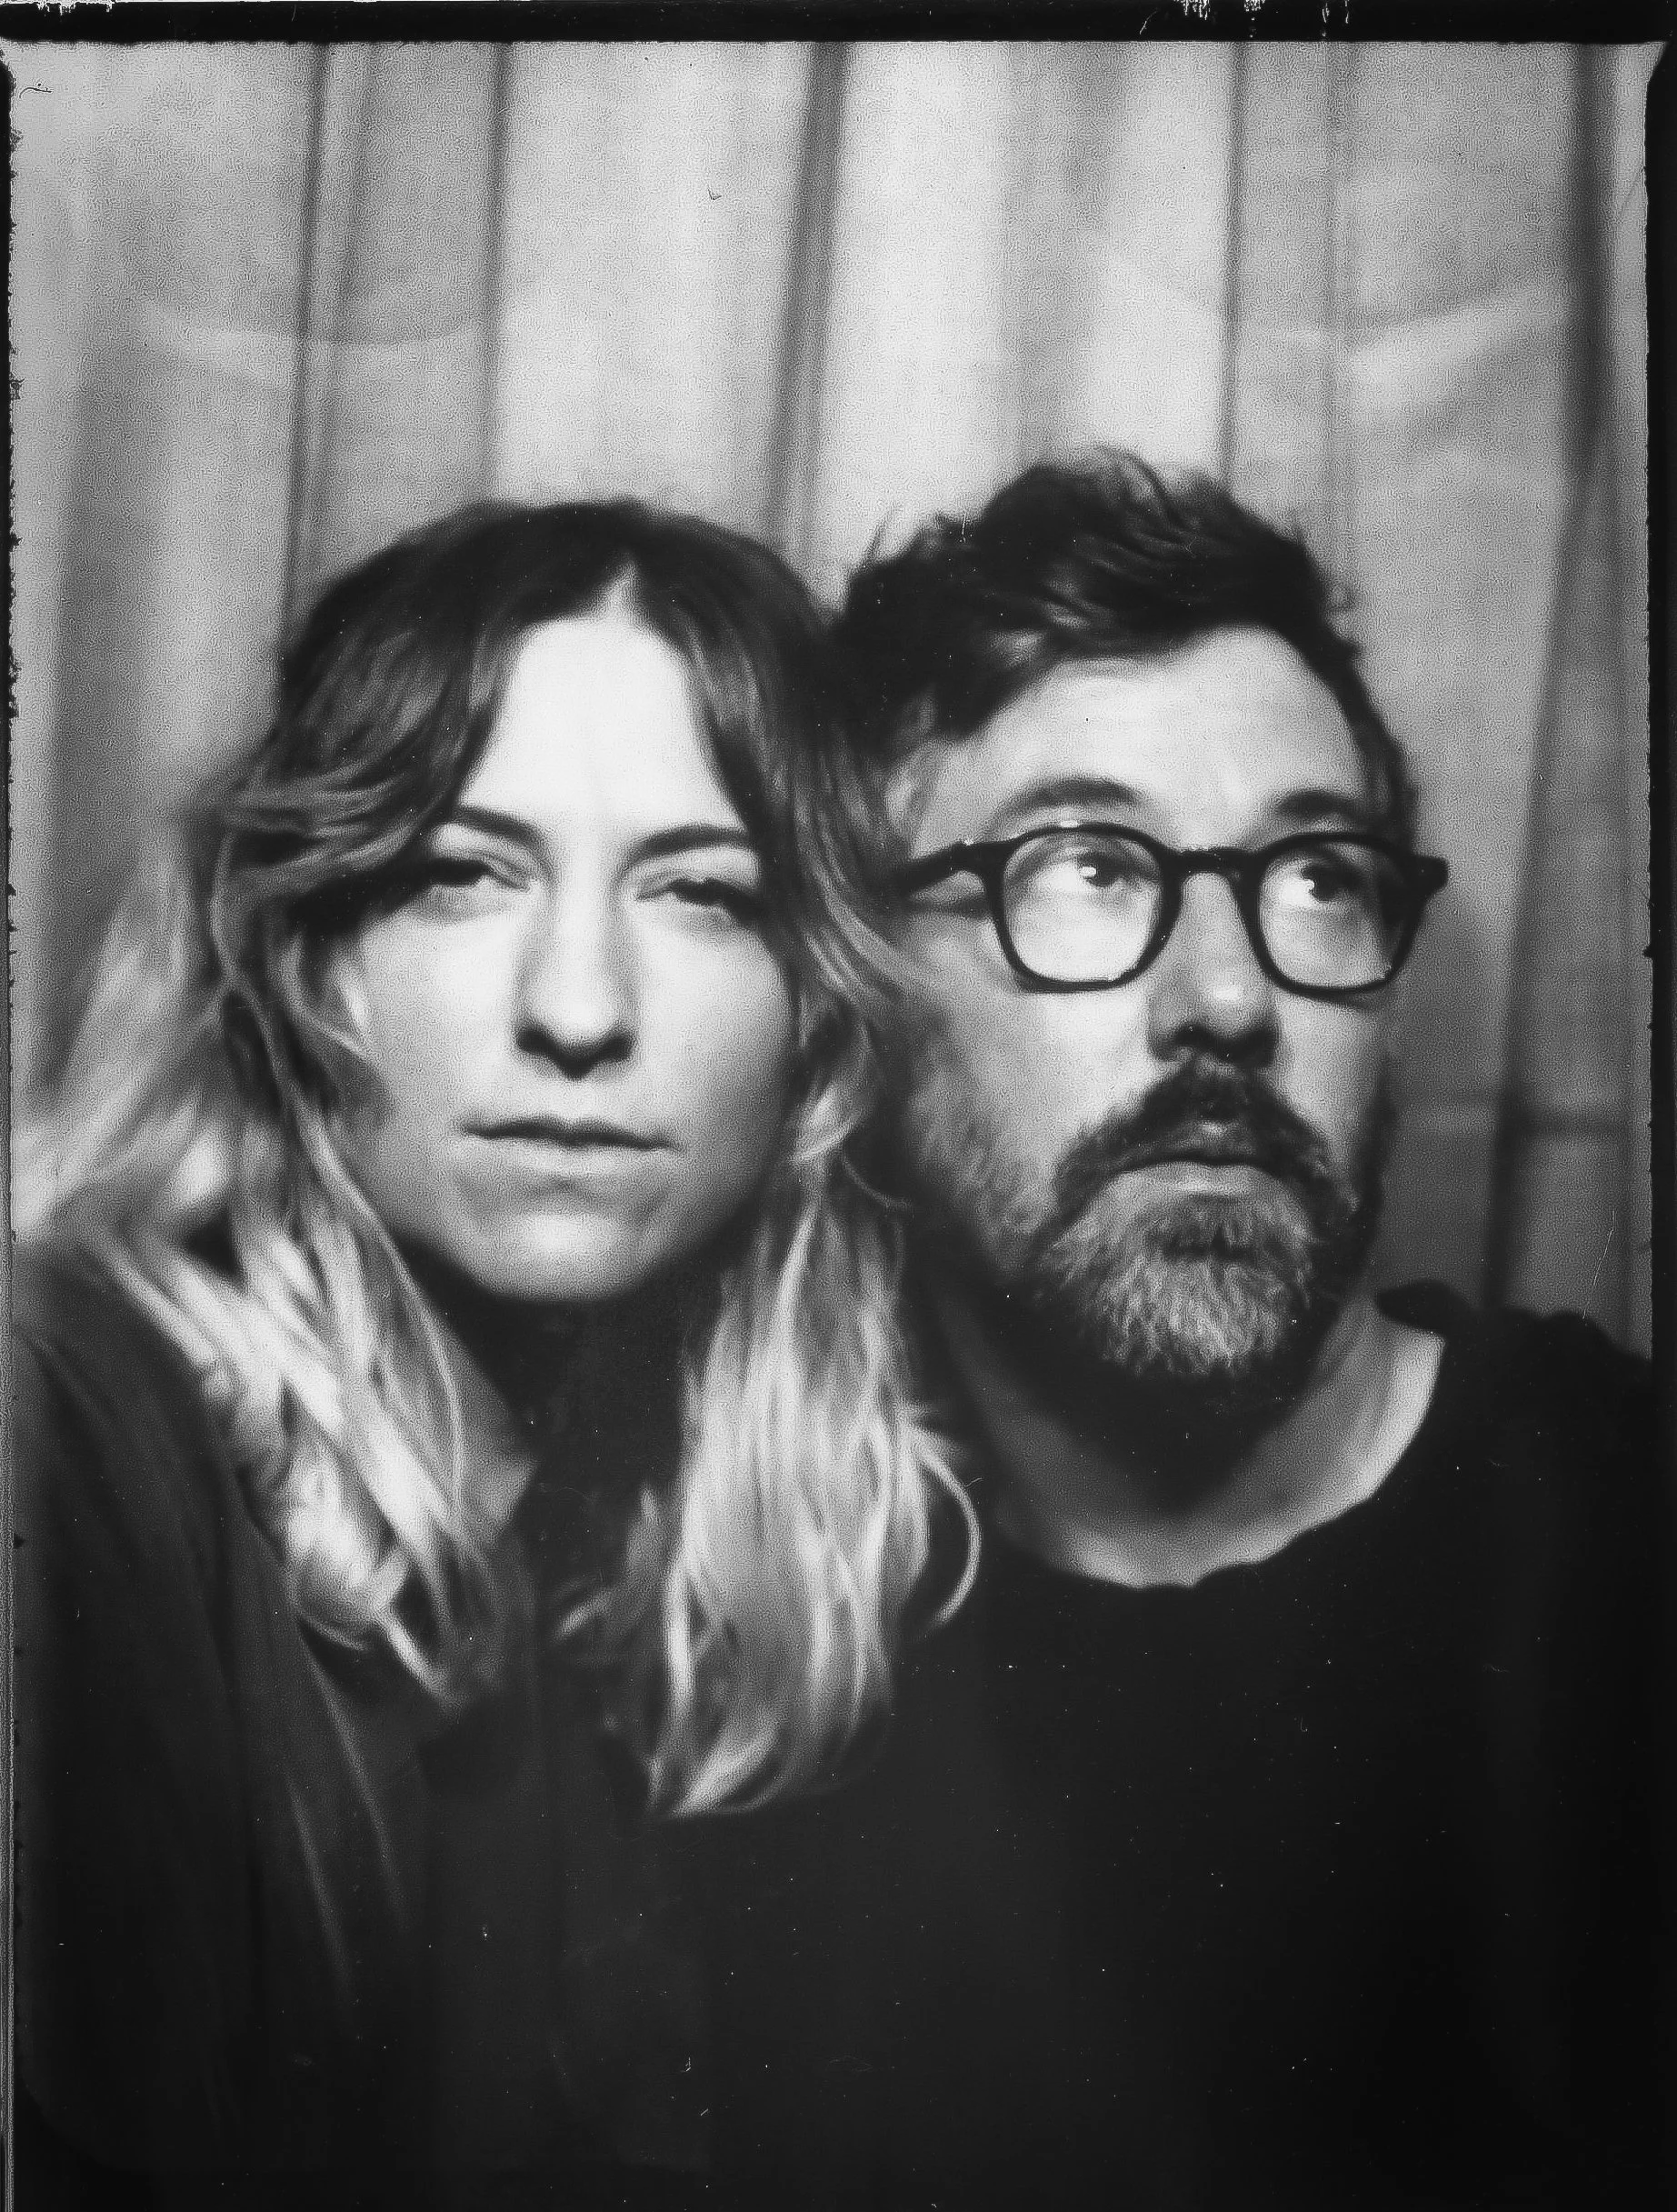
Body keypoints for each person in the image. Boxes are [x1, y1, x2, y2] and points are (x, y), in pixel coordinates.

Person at [703, 455, 1662, 2208]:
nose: (1224, 1000)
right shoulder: (750, 1641)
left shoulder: (1623, 1551)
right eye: (1083, 866)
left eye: (1314, 878)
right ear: (859, 997)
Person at [13, 498, 971, 2193]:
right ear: (305, 960)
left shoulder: (604, 1569)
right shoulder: (64, 1411)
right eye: (464, 874)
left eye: (698, 893)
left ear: (820, 1025)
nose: (579, 1008)